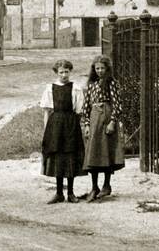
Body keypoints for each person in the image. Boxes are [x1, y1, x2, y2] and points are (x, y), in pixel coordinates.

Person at [40, 58, 86, 203]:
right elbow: (47, 111)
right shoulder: (50, 88)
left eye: (66, 72)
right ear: (56, 73)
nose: (64, 75)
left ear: (70, 72)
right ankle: (59, 192)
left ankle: (71, 193)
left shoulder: (75, 88)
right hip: (55, 125)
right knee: (58, 157)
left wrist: (78, 127)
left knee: (70, 155)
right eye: (61, 72)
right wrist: (47, 130)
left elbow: (79, 111)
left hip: (71, 124)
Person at [84, 54, 125, 200]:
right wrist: (87, 125)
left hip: (107, 118)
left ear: (107, 69)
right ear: (93, 69)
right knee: (93, 153)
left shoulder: (112, 83)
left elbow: (118, 104)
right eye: (97, 68)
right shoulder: (91, 85)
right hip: (94, 120)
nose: (99, 71)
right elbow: (86, 106)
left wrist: (112, 122)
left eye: (102, 68)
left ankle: (106, 185)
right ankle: (94, 187)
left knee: (106, 152)